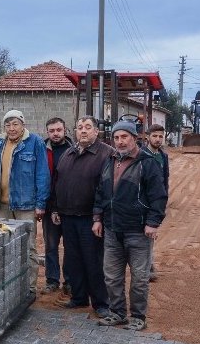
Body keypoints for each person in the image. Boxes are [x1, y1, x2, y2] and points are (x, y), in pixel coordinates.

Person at [93, 121, 168, 331]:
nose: (120, 141)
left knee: (139, 278)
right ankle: (117, 313)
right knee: (112, 276)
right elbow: (100, 192)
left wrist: (153, 223)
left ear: (135, 138)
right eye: (116, 138)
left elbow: (159, 196)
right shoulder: (109, 161)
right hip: (112, 229)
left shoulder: (147, 163)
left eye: (124, 137)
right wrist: (97, 218)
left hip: (138, 231)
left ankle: (138, 316)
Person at [49, 116, 116, 317]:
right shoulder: (69, 153)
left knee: (94, 261)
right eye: (80, 127)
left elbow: (107, 190)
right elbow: (58, 183)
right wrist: (55, 208)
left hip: (91, 219)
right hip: (68, 216)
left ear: (96, 131)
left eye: (88, 127)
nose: (83, 131)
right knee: (74, 260)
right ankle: (78, 297)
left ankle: (101, 303)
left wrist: (98, 217)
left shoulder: (106, 153)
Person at [0, 109, 50, 270]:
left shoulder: (35, 142)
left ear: (23, 125)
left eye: (15, 124)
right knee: (5, 245)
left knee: (28, 247)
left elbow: (43, 174)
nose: (12, 128)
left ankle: (29, 284)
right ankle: (12, 282)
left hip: (26, 206)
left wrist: (40, 204)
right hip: (3, 206)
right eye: (8, 125)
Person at [42, 117, 74, 299]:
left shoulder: (74, 150)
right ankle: (52, 280)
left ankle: (69, 281)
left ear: (65, 130)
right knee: (51, 246)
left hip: (69, 207)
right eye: (52, 131)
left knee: (70, 246)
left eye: (58, 130)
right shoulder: (42, 150)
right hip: (49, 206)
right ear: (47, 132)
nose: (55, 133)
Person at [146, 124, 170, 281]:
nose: (158, 139)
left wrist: (164, 198)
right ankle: (147, 267)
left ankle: (149, 265)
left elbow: (165, 179)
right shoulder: (141, 155)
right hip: (143, 200)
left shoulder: (163, 156)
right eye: (154, 136)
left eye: (160, 136)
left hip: (156, 201)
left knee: (150, 234)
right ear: (148, 137)